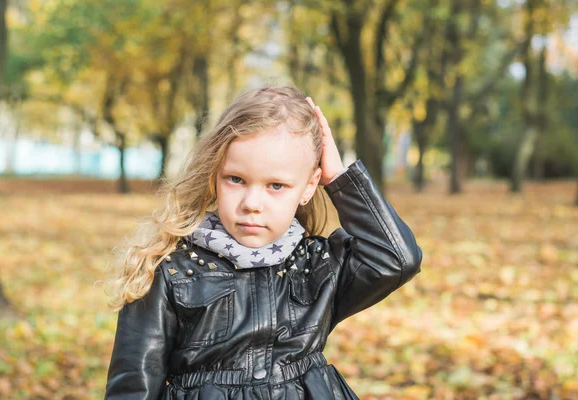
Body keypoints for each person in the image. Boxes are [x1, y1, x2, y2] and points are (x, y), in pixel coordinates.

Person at [104, 85, 423, 399]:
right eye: (236, 179)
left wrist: (338, 177)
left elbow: (396, 258)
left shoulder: (317, 267)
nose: (252, 203)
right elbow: (133, 386)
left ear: (309, 186)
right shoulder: (171, 269)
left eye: (276, 185)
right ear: (216, 174)